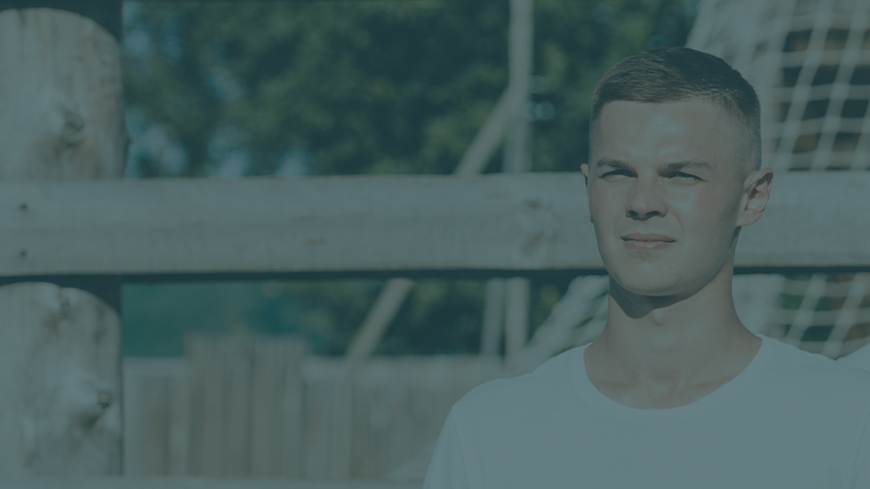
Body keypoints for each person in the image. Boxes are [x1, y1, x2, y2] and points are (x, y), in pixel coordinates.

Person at [422, 47, 870, 489]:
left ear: (752, 198)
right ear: (587, 190)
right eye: (617, 173)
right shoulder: (487, 431)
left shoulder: (848, 422)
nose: (641, 203)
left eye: (681, 175)